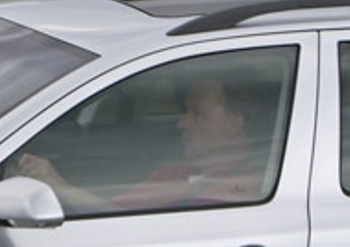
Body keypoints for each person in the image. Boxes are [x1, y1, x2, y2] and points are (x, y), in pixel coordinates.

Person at [14, 76, 269, 215]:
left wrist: (60, 187)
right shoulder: (175, 173)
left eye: (197, 114)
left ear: (235, 123)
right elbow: (111, 212)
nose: (181, 123)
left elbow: (117, 224)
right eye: (185, 112)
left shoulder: (242, 191)